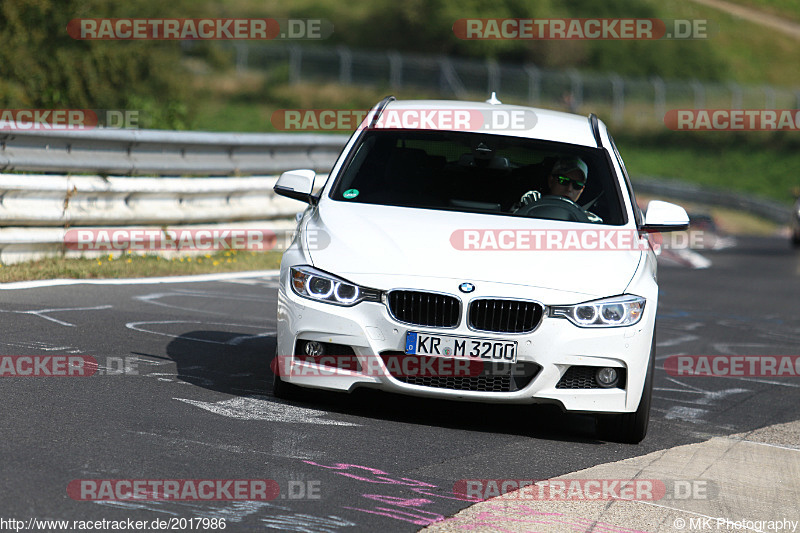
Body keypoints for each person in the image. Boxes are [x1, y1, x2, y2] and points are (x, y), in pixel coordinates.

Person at [514, 156, 602, 222]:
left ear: (582, 190)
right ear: (551, 180)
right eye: (563, 181)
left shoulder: (589, 222)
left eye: (577, 185)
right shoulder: (530, 202)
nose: (569, 189)